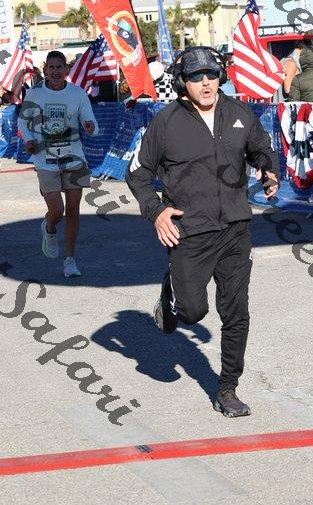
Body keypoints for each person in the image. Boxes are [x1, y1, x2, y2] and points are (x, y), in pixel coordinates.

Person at [126, 46, 279, 417]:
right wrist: (157, 212)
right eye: (196, 77)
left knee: (236, 312)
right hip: (189, 231)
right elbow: (138, 173)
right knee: (193, 312)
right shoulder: (166, 122)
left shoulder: (240, 113)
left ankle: (227, 388)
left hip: (235, 229)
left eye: (211, 75)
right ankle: (172, 295)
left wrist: (268, 169)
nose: (206, 83)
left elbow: (262, 149)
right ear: (183, 83)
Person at [18, 50, 98, 277]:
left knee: (73, 211)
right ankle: (49, 227)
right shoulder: (34, 93)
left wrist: (90, 127)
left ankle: (70, 260)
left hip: (74, 159)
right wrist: (29, 139)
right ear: (45, 69)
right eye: (51, 67)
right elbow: (22, 123)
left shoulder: (77, 94)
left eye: (59, 67)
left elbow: (91, 123)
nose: (55, 71)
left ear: (66, 69)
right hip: (45, 160)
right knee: (57, 211)